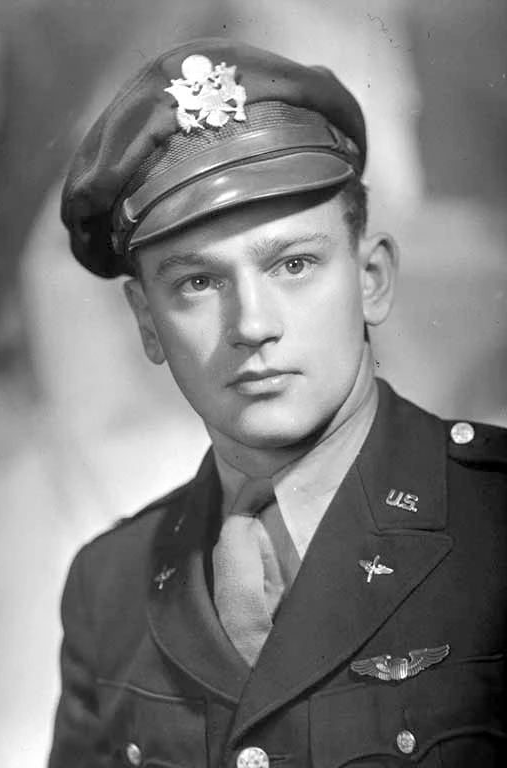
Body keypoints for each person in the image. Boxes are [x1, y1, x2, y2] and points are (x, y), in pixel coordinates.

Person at [48, 39, 507, 768]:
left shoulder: (497, 526)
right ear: (145, 321)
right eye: (198, 283)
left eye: (294, 264)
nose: (253, 324)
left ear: (373, 277)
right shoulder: (107, 589)